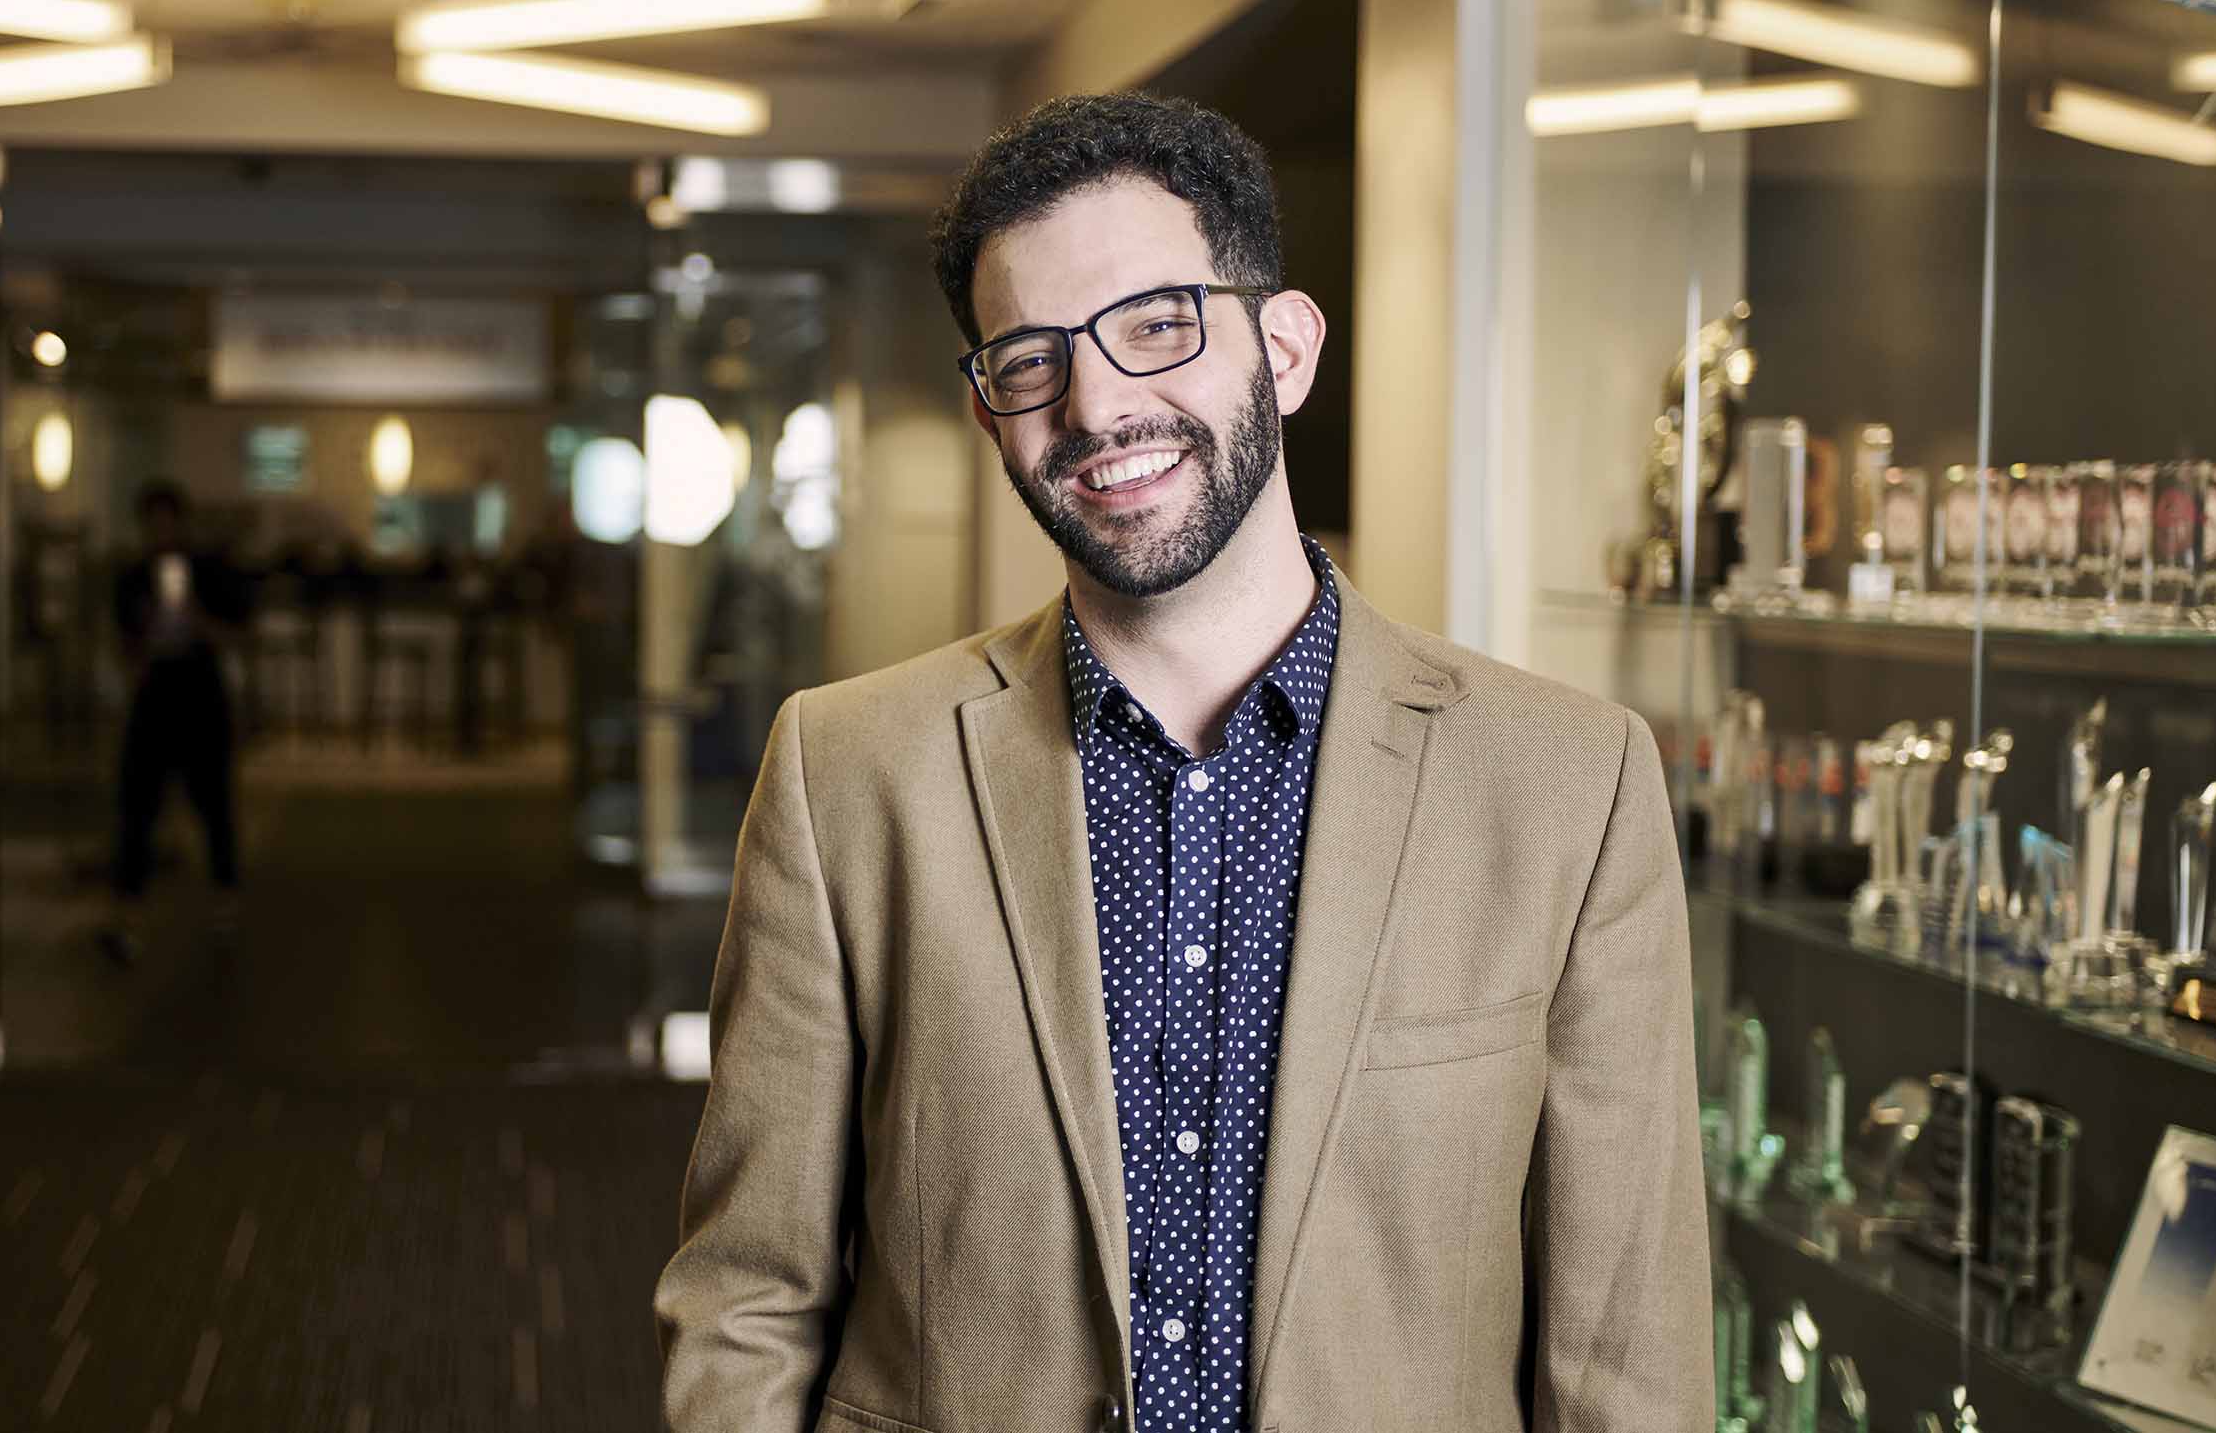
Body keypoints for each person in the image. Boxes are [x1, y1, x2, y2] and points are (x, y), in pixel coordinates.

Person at [653, 94, 1709, 1433]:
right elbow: (750, 1298)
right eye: (1030, 359)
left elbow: (1625, 1351)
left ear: (1285, 346)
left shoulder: (1570, 784)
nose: (1098, 404)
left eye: (1157, 324)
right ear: (992, 415)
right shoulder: (846, 774)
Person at [100, 481, 242, 962]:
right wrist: (143, 642)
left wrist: (195, 619)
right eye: (152, 523)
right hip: (154, 701)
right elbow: (122, 647)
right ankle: (127, 913)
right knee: (136, 810)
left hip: (201, 700)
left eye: (168, 522)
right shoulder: (133, 578)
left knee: (214, 806)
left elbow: (236, 634)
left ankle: (225, 901)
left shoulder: (209, 570)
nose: (161, 532)